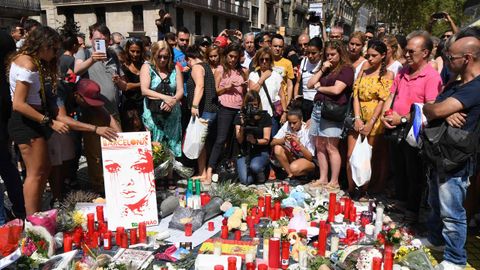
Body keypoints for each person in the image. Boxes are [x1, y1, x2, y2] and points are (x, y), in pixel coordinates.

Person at [421, 36, 480, 270]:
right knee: (435, 202)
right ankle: (436, 241)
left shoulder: (475, 87)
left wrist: (440, 110)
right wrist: (443, 112)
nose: (446, 61)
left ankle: (455, 259)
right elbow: (429, 107)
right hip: (440, 153)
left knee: (452, 211)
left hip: (456, 158)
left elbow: (435, 108)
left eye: (451, 57)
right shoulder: (456, 84)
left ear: (467, 59)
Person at [380, 30, 442, 223]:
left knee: (414, 172)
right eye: (405, 51)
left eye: (411, 51)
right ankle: (400, 201)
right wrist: (385, 114)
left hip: (415, 131)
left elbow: (429, 108)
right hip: (395, 127)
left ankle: (413, 211)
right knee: (398, 167)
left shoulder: (431, 77)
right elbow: (392, 95)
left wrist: (404, 119)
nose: (406, 55)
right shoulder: (403, 71)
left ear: (425, 53)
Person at [8, 26, 69, 215]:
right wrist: (49, 121)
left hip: (32, 120)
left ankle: (36, 215)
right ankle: (32, 220)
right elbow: (18, 104)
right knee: (35, 173)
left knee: (44, 168)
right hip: (26, 122)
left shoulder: (26, 59)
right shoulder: (28, 64)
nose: (55, 54)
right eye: (53, 49)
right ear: (43, 45)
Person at [346, 40, 394, 196]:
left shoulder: (388, 74)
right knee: (351, 154)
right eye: (368, 55)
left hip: (375, 118)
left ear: (383, 56)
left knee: (369, 156)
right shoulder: (364, 70)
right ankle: (352, 187)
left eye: (374, 56)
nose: (370, 59)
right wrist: (358, 118)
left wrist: (371, 122)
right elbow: (356, 96)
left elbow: (383, 100)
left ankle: (365, 189)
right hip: (359, 115)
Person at [307, 40, 354, 190]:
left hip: (333, 110)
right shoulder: (326, 68)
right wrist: (322, 69)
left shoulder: (346, 69)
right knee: (319, 144)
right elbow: (309, 84)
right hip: (318, 108)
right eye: (327, 55)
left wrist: (320, 88)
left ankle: (334, 181)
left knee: (331, 146)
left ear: (340, 54)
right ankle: (323, 177)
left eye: (333, 54)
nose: (330, 58)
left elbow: (337, 90)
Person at [140, 41, 183, 186]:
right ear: (154, 55)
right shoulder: (147, 67)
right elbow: (144, 90)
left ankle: (169, 175)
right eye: (160, 57)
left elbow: (180, 91)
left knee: (170, 144)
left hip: (172, 111)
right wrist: (165, 98)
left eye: (166, 57)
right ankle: (156, 177)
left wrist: (172, 101)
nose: (163, 60)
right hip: (153, 113)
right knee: (156, 145)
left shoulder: (175, 68)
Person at [206, 43, 248, 183]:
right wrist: (227, 87)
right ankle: (209, 169)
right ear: (226, 55)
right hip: (225, 108)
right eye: (230, 56)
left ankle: (233, 170)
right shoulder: (220, 69)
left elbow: (247, 92)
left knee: (237, 139)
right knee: (221, 139)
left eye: (236, 57)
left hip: (239, 108)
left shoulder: (243, 71)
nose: (233, 60)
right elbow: (215, 90)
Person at [73, 79, 121, 193]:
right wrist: (95, 129)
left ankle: (99, 186)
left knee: (94, 150)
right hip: (64, 122)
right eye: (88, 101)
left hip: (87, 117)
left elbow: (107, 115)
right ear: (77, 95)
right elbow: (63, 119)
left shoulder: (91, 97)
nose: (91, 104)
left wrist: (120, 137)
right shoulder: (64, 93)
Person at [74, 23, 127, 124]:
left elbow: (124, 86)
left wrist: (119, 81)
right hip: (93, 114)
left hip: (113, 112)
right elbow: (77, 70)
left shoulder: (113, 55)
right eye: (98, 40)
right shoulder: (84, 53)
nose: (101, 44)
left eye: (105, 41)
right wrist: (92, 59)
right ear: (90, 38)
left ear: (109, 41)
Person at [0, 29, 25, 221]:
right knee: (8, 169)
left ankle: (5, 216)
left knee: (7, 168)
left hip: (5, 126)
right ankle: (19, 208)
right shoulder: (11, 72)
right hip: (6, 126)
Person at [185, 45, 219, 182]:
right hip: (210, 110)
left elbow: (200, 86)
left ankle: (203, 172)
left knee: (199, 142)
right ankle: (203, 171)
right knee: (203, 143)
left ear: (189, 58)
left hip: (204, 110)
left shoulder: (197, 68)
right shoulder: (205, 66)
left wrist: (194, 105)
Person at [272, 102, 315, 184]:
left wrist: (299, 144)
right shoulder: (287, 126)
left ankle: (306, 174)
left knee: (294, 167)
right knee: (277, 148)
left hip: (307, 161)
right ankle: (291, 175)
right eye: (290, 123)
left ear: (301, 119)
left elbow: (310, 158)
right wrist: (284, 140)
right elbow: (273, 142)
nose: (291, 126)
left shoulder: (307, 130)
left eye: (294, 123)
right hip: (293, 158)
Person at [235, 91, 272, 185]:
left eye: (255, 104)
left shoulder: (265, 116)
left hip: (260, 151)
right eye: (250, 105)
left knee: (255, 166)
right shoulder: (240, 116)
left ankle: (261, 170)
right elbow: (239, 140)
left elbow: (266, 140)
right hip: (244, 152)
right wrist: (242, 126)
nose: (253, 107)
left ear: (259, 104)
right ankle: (252, 172)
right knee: (246, 180)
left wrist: (255, 141)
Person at [248, 47, 283, 136]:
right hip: (257, 115)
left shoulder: (276, 76)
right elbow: (252, 93)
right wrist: (262, 78)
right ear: (258, 60)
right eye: (261, 59)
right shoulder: (253, 75)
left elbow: (282, 96)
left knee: (271, 142)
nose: (264, 62)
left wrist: (285, 113)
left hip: (272, 115)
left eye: (267, 59)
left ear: (270, 60)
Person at [294, 37, 323, 121]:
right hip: (304, 101)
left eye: (314, 53)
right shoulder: (304, 61)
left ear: (320, 52)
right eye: (308, 53)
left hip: (316, 102)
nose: (310, 56)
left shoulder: (323, 64)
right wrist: (296, 97)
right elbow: (298, 82)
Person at [120, 38, 146, 131]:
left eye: (138, 52)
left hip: (143, 103)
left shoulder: (145, 66)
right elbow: (126, 86)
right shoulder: (123, 67)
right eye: (132, 51)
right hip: (129, 104)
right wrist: (143, 83)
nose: (135, 54)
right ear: (128, 51)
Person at [271, 34, 294, 125]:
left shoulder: (287, 63)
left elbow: (290, 84)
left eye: (280, 46)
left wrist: (287, 102)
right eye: (275, 46)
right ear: (270, 46)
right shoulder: (265, 60)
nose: (277, 48)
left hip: (282, 103)